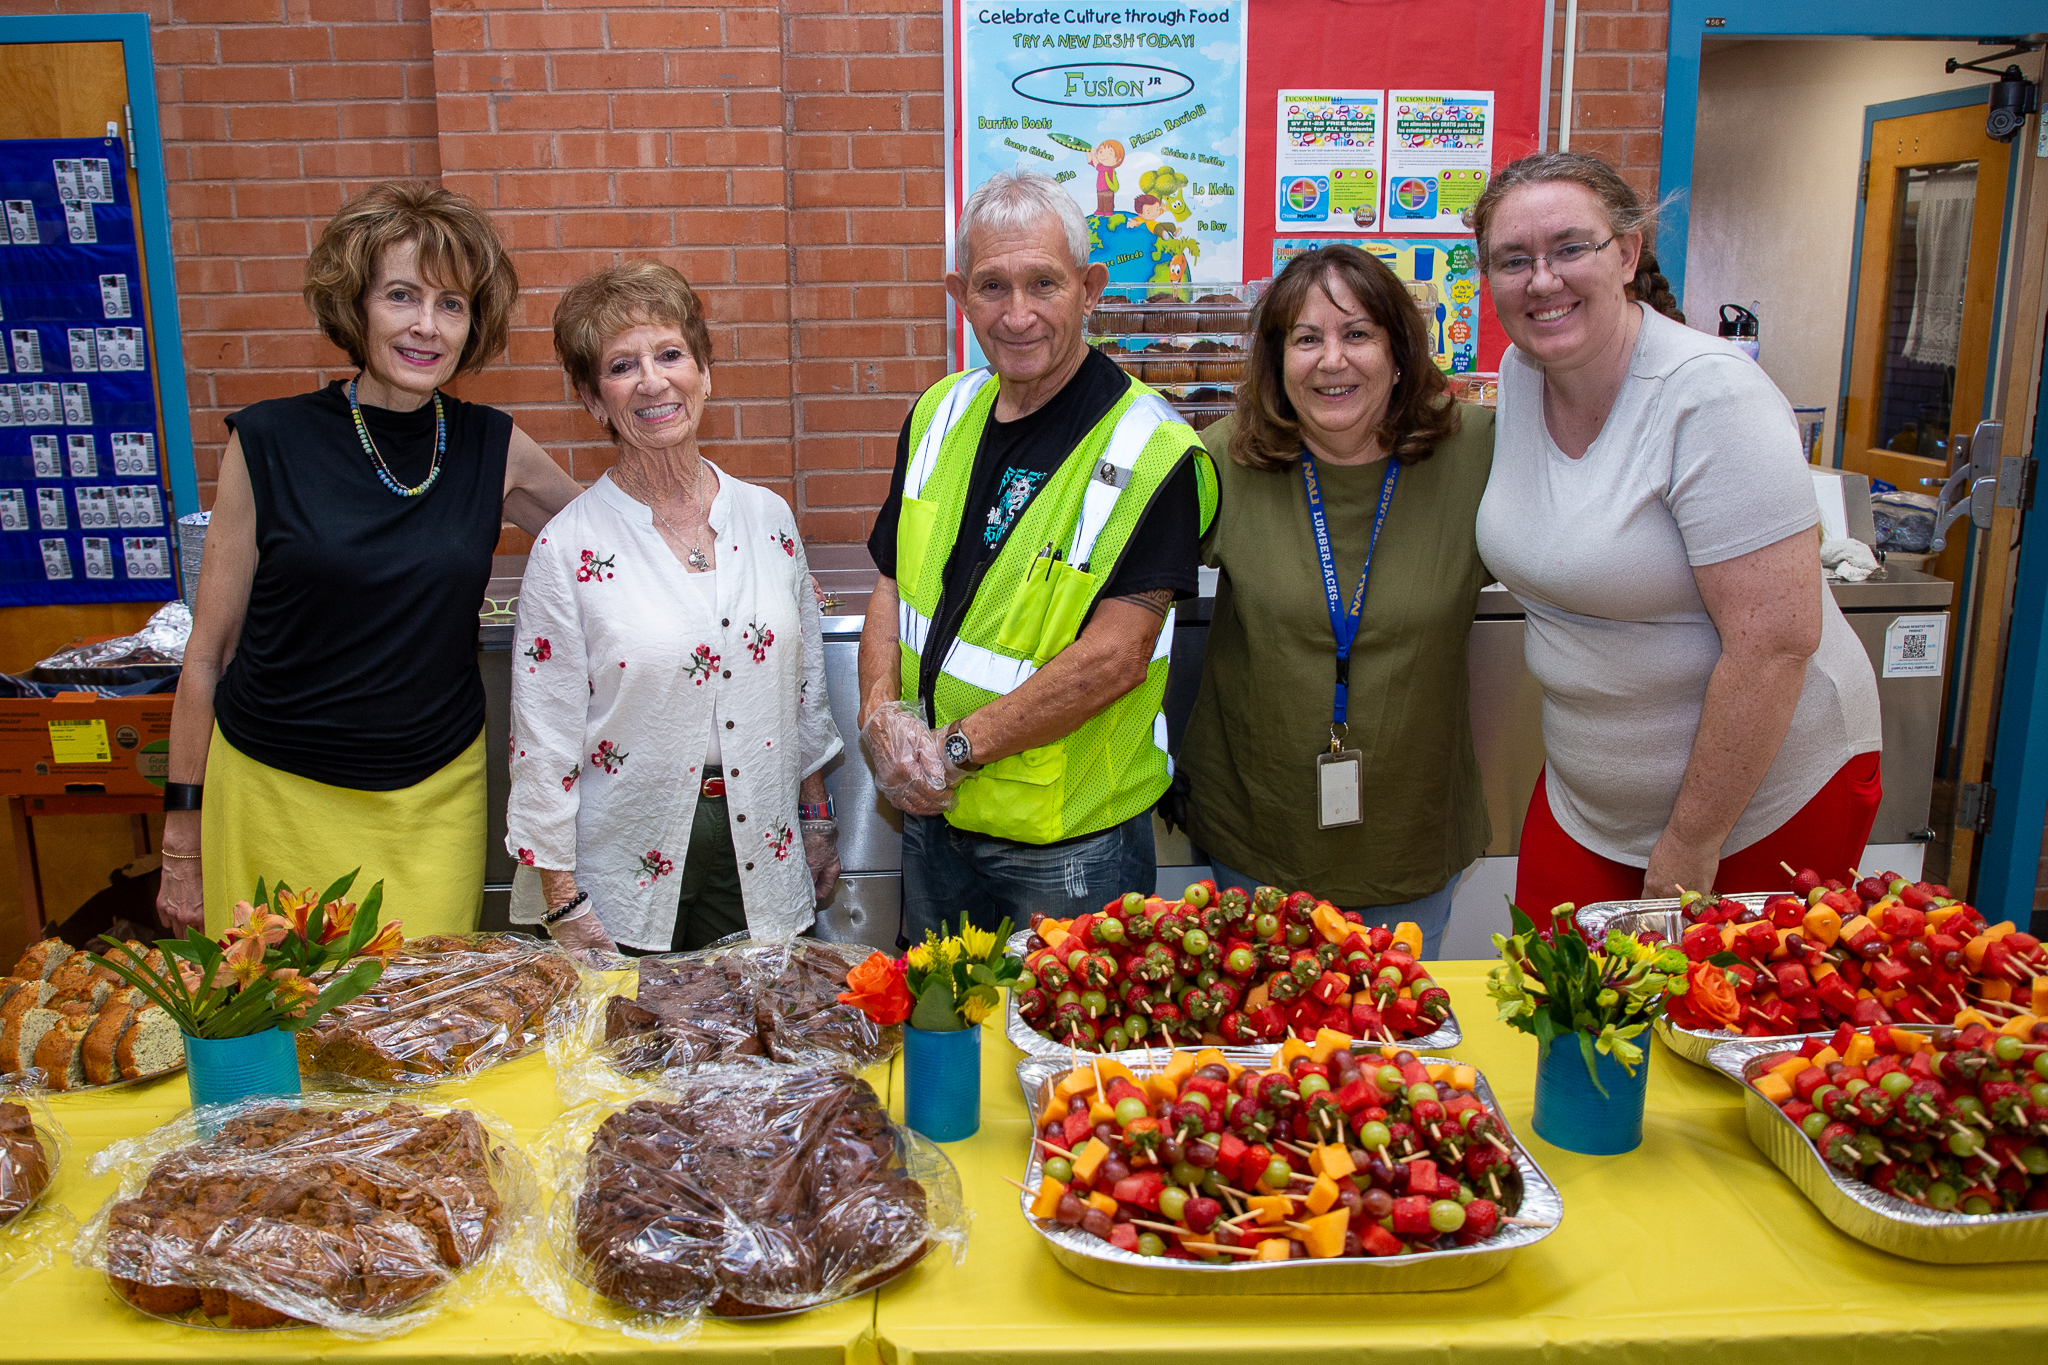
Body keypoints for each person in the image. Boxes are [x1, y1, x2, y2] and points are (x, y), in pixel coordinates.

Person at [158, 183, 582, 937]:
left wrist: (728, 554)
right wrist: (181, 842)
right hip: (271, 796)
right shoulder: (267, 443)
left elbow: (614, 542)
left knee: (420, 1039)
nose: (427, 326)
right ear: (355, 306)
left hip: (430, 802)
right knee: (280, 1036)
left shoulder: (493, 445)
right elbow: (208, 654)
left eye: (452, 304)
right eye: (401, 296)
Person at [1468, 152, 1882, 917]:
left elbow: (1775, 644)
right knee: (1559, 1014)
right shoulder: (1522, 374)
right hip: (1588, 800)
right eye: (1513, 259)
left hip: (1758, 805)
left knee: (1715, 1024)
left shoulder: (1711, 396)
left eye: (1569, 248)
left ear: (1626, 253)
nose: (1542, 279)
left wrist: (1693, 841)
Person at [857, 169, 1215, 941]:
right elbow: (891, 582)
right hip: (934, 821)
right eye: (991, 286)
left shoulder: (1154, 453)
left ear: (1090, 289)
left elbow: (1116, 657)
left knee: (1066, 1060)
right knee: (941, 1039)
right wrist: (880, 713)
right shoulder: (938, 413)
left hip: (1071, 846)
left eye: (1043, 283)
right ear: (959, 293)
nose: (1016, 315)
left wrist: (951, 748)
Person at [505, 262, 842, 955]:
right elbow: (543, 743)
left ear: (705, 371)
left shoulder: (768, 518)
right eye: (622, 366)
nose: (652, 381)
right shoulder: (568, 548)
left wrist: (816, 824)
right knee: (635, 1051)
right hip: (624, 857)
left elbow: (804, 693)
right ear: (595, 400)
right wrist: (564, 901)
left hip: (762, 846)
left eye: (670, 354)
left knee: (749, 1045)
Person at [1179, 245, 1494, 960]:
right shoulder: (1223, 460)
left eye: (1357, 334)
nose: (1332, 361)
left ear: (1399, 349)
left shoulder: (1478, 453)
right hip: (1255, 840)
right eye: (1306, 337)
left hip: (1409, 842)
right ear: (1276, 357)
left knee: (1390, 1056)